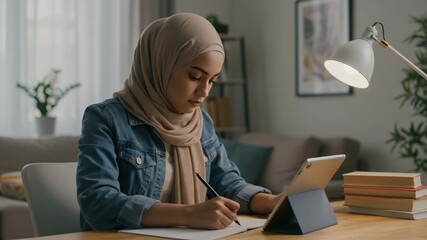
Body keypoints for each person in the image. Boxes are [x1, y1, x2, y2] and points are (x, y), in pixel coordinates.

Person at [76, 12, 282, 231]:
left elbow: (224, 182)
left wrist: (272, 202)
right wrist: (188, 214)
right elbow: (98, 202)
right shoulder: (104, 119)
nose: (204, 92)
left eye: (211, 80)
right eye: (195, 77)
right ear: (160, 65)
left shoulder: (200, 121)